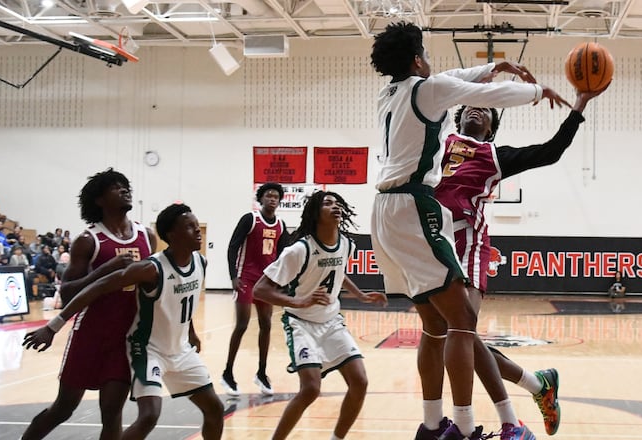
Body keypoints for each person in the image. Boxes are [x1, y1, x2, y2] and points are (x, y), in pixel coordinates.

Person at [370, 21, 568, 440]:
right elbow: (477, 92)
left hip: (387, 213)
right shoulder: (429, 95)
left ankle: (433, 424)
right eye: (425, 53)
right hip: (412, 207)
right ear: (417, 59)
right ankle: (467, 427)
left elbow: (458, 81)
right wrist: (538, 92)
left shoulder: (390, 94)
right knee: (460, 323)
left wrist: (498, 64)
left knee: (437, 325)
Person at [427, 89, 603, 438]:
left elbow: (551, 152)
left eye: (487, 111)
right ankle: (538, 385)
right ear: (459, 116)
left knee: (459, 331)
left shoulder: (493, 155)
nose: (477, 110)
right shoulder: (439, 141)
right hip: (432, 242)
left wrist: (579, 106)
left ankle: (509, 424)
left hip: (466, 244)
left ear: (492, 128)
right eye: (472, 106)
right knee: (459, 336)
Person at [23, 203, 224, 440]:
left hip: (181, 350)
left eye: (196, 225)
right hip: (148, 350)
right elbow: (99, 287)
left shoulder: (201, 263)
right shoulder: (151, 268)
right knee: (149, 415)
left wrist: (190, 331)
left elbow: (180, 300)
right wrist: (53, 325)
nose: (197, 231)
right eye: (189, 227)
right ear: (171, 234)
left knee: (215, 409)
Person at [20, 169, 156, 440]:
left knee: (112, 412)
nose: (125, 190)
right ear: (99, 200)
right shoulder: (88, 240)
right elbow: (67, 292)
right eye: (116, 187)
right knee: (63, 408)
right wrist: (104, 270)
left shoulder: (146, 235)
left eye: (125, 186)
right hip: (90, 334)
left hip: (126, 337)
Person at [254, 190, 387, 440]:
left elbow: (338, 272)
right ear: (316, 212)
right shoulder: (299, 250)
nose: (335, 206)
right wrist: (299, 301)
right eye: (327, 203)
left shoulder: (346, 244)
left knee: (360, 381)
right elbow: (260, 289)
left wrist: (360, 295)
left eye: (338, 203)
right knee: (311, 389)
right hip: (301, 324)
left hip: (331, 321)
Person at [222, 182, 290, 397]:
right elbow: (233, 246)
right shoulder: (250, 219)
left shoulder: (280, 224)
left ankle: (261, 372)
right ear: (260, 199)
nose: (272, 199)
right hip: (246, 279)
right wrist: (233, 276)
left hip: (265, 281)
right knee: (242, 324)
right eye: (268, 195)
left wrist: (280, 280)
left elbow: (281, 255)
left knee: (266, 325)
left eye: (276, 196)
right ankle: (228, 373)